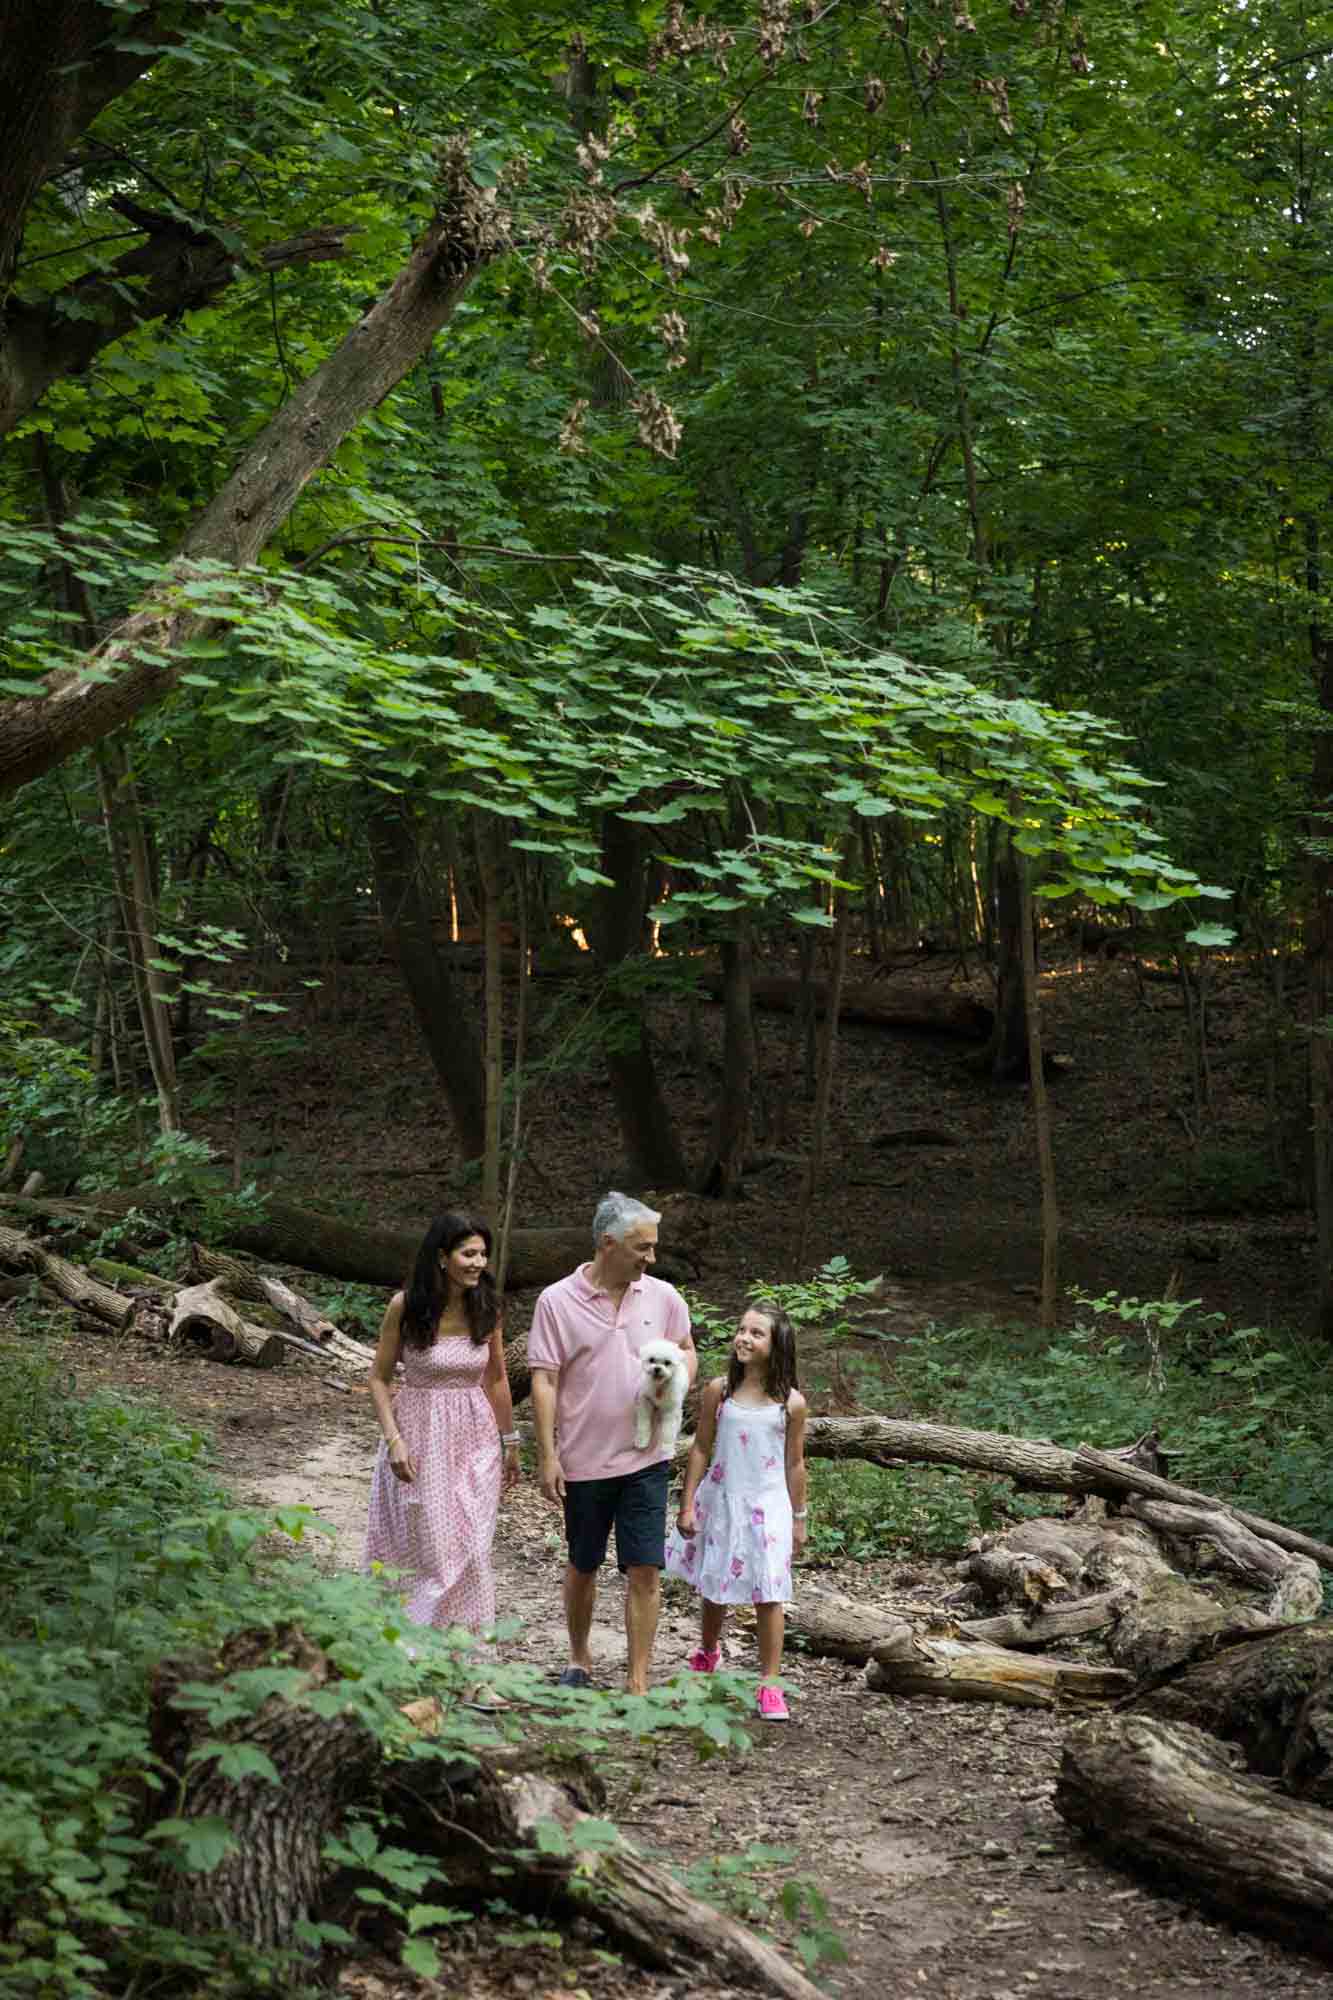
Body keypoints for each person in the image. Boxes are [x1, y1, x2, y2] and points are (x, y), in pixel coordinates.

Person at [528, 1190, 697, 1694]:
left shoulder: (664, 1296)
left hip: (648, 1456)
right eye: (642, 1247)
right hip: (583, 1459)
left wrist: (679, 1378)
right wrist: (548, 1454)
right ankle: (579, 1659)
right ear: (608, 1243)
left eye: (653, 1247)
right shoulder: (556, 1301)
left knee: (645, 1567)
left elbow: (686, 1349)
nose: (652, 1257)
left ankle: (638, 1679)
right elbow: (545, 1380)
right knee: (583, 1564)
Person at [363, 1211, 520, 1637]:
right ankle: (412, 1650)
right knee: (430, 1549)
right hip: (418, 1435)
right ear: (442, 1258)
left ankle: (472, 1664)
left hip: (475, 1437)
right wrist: (393, 1440)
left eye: (483, 1254)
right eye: (468, 1253)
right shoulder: (407, 1306)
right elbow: (378, 1378)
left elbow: (497, 1378)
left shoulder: (487, 1306)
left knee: (472, 1548)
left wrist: (511, 1441)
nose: (478, 1263)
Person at [666, 1300, 807, 1721]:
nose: (744, 1338)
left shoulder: (790, 1404)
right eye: (742, 1329)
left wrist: (800, 1519)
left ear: (777, 1346)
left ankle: (769, 1682)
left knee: (769, 1592)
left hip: (768, 1504)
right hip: (723, 1499)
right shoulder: (719, 1392)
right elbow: (702, 1447)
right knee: (715, 1584)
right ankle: (708, 1652)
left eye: (756, 1333)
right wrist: (687, 1502)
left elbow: (795, 1463)